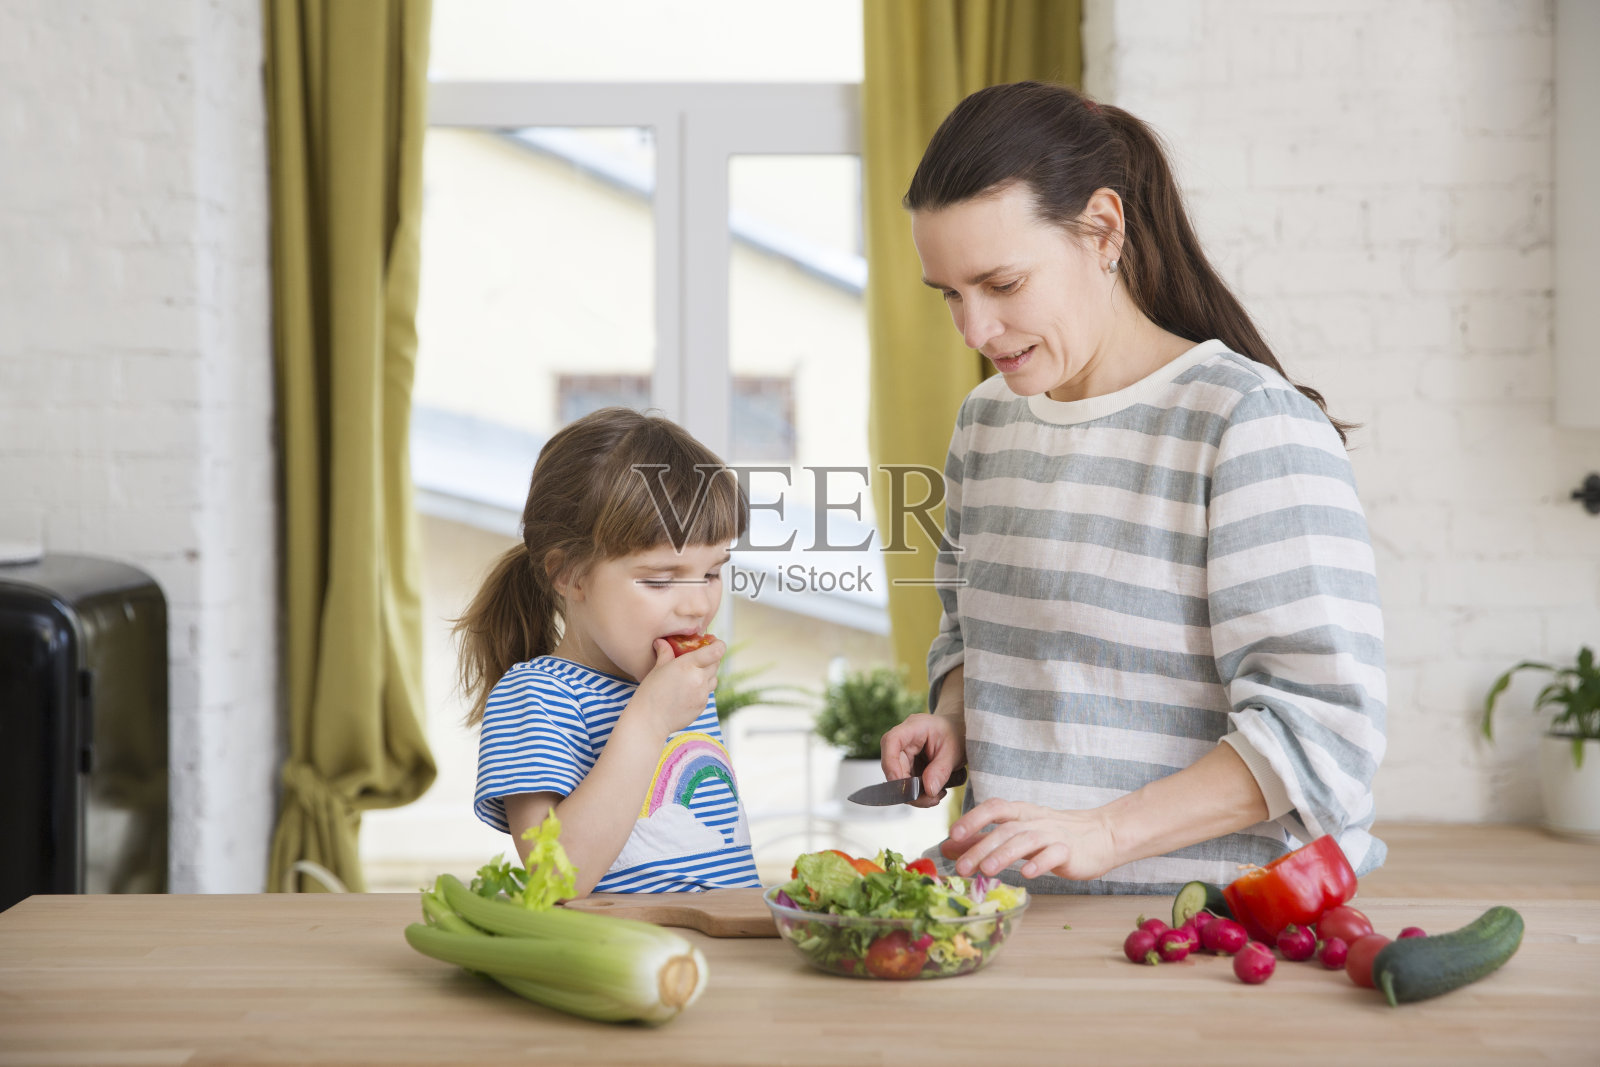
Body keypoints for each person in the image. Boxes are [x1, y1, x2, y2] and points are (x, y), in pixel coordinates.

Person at [878, 81, 1387, 894]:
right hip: (1010, 917)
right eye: (950, 295)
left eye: (1003, 285)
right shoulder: (987, 422)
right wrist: (953, 718)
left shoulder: (1245, 422)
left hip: (1203, 929)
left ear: (1103, 230)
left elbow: (1324, 736)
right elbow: (974, 637)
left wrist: (1105, 832)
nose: (974, 331)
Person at [458, 407, 760, 896]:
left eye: (712, 572)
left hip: (722, 958)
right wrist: (648, 720)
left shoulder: (668, 682)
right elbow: (556, 878)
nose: (699, 603)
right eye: (660, 579)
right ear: (569, 575)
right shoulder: (538, 696)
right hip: (630, 966)